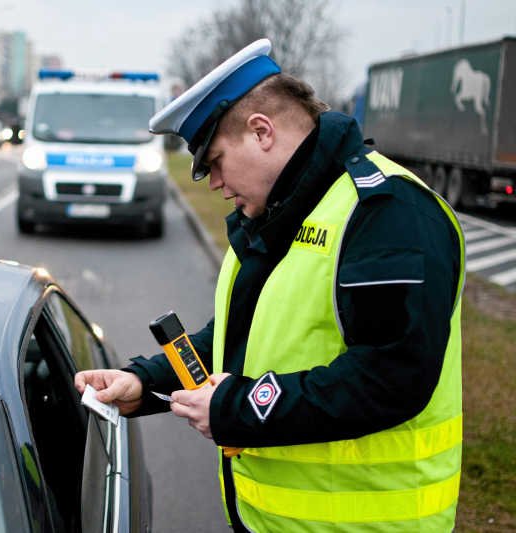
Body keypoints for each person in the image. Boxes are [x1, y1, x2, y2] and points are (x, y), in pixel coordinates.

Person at [75, 38, 464, 532]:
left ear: (262, 132)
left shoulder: (387, 214)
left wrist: (236, 409)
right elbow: (240, 337)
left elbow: (392, 377)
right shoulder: (282, 212)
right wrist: (145, 382)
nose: (213, 183)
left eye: (216, 161)